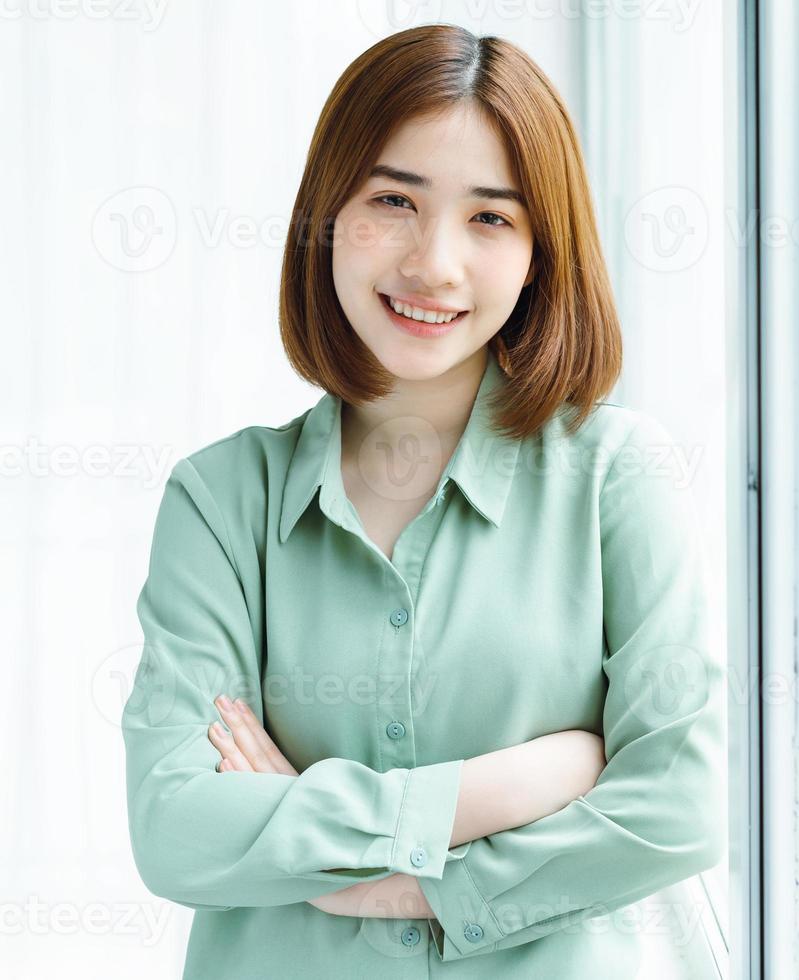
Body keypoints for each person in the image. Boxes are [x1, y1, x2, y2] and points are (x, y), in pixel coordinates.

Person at [121, 25, 725, 978]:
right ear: (328, 214)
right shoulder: (219, 501)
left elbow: (679, 808)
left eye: (491, 218)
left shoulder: (620, 475)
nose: (433, 263)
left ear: (540, 254)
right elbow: (177, 828)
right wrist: (490, 793)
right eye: (393, 200)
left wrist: (404, 885)